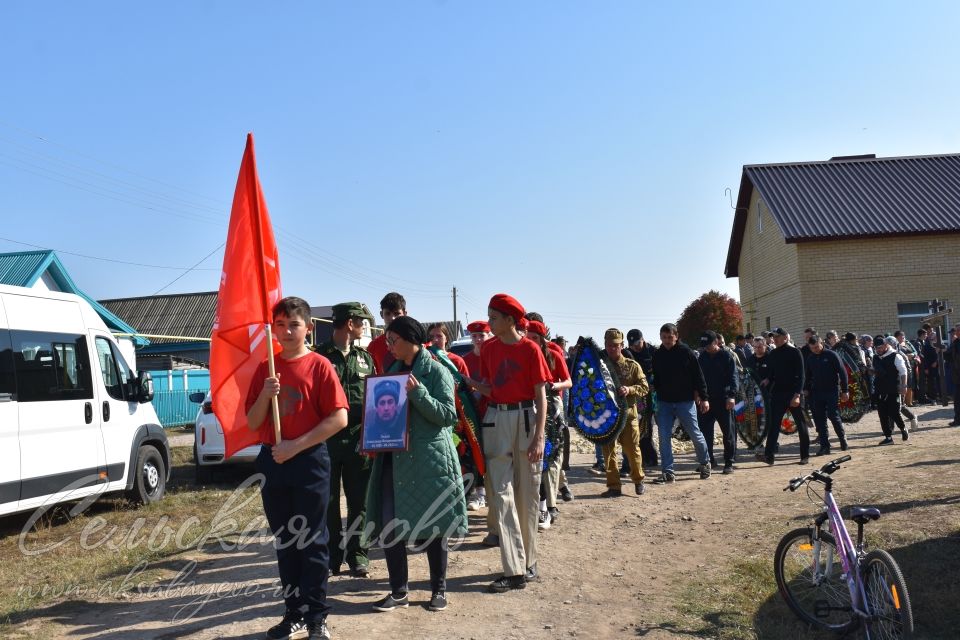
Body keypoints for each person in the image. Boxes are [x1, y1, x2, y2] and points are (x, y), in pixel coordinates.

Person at [246, 296, 349, 640]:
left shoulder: (320, 365)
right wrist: (264, 394)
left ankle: (318, 616)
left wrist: (295, 446)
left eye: (294, 324)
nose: (287, 331)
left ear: (308, 327)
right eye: (280, 325)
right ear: (273, 329)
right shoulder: (267, 368)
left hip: (308, 461)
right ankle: (294, 614)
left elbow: (339, 418)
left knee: (313, 541)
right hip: (273, 460)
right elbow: (252, 420)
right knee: (285, 542)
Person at [364, 316, 468, 613]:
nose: (390, 346)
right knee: (390, 525)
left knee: (433, 525)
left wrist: (418, 393)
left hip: (428, 460)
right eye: (388, 341)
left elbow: (448, 415)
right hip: (393, 459)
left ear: (412, 339)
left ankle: (439, 589)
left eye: (393, 340)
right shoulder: (391, 372)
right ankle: (398, 591)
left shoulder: (437, 370)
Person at [466, 293, 551, 593]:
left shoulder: (531, 349)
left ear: (510, 320)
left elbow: (542, 396)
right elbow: (490, 386)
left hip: (527, 419)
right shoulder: (487, 349)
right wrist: (469, 382)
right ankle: (515, 568)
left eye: (493, 317)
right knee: (500, 493)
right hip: (496, 419)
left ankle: (528, 562)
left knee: (527, 492)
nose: (489, 321)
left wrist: (539, 437)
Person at [315, 302, 377, 579]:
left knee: (359, 501)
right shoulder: (318, 357)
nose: (364, 326)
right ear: (349, 323)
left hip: (358, 438)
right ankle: (331, 556)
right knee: (327, 501)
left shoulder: (366, 359)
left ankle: (358, 555)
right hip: (326, 438)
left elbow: (375, 398)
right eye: (361, 321)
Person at [650, 323, 712, 484]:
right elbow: (656, 378)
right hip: (664, 403)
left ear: (676, 336)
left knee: (695, 434)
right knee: (663, 437)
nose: (667, 340)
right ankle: (668, 472)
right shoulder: (657, 355)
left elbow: (698, 376)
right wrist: (651, 386)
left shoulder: (687, 352)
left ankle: (705, 462)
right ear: (660, 337)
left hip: (685, 402)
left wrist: (704, 398)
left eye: (670, 337)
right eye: (664, 337)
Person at [524, 320, 571, 526]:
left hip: (551, 404)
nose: (531, 341)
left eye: (534, 338)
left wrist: (554, 385)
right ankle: (537, 505)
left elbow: (568, 381)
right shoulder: (522, 354)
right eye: (528, 337)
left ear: (542, 339)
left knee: (550, 456)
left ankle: (549, 506)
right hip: (527, 405)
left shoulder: (554, 354)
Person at [597, 328, 649, 496]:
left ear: (622, 345)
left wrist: (630, 389)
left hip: (628, 415)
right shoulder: (599, 367)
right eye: (609, 345)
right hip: (607, 417)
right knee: (608, 451)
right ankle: (613, 486)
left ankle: (638, 480)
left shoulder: (632, 366)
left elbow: (644, 387)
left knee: (632, 449)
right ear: (605, 345)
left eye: (616, 345)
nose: (612, 348)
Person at [760, 327, 809, 466]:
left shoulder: (795, 352)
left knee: (801, 424)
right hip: (778, 394)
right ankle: (769, 456)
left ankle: (804, 456)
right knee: (774, 425)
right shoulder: (773, 353)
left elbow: (801, 375)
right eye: (773, 336)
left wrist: (797, 395)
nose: (774, 339)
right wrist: (767, 379)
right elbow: (772, 372)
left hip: (793, 393)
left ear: (785, 337)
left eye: (777, 336)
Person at [696, 330, 738, 474]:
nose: (705, 347)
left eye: (708, 345)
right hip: (707, 400)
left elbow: (733, 378)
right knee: (705, 432)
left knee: (728, 432)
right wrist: (700, 396)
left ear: (716, 342)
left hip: (724, 399)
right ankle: (709, 460)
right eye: (703, 345)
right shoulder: (702, 357)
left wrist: (732, 396)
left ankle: (729, 462)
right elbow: (699, 379)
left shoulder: (727, 356)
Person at [803, 334, 849, 455]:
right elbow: (807, 376)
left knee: (833, 415)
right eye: (812, 348)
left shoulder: (831, 355)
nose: (815, 350)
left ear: (821, 344)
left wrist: (845, 390)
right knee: (820, 419)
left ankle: (842, 438)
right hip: (817, 392)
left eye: (817, 347)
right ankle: (824, 446)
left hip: (832, 390)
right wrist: (806, 389)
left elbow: (843, 373)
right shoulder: (810, 358)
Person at [625, 329, 658, 469]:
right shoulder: (628, 354)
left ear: (643, 339)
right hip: (635, 394)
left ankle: (650, 457)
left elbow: (660, 371)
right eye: (632, 345)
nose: (635, 347)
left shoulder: (653, 352)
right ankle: (635, 459)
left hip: (651, 395)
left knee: (646, 427)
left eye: (637, 344)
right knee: (634, 428)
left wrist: (654, 384)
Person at [873, 335, 910, 445]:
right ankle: (888, 437)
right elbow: (877, 372)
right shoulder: (875, 357)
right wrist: (869, 370)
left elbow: (903, 372)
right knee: (882, 414)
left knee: (894, 412)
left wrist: (904, 386)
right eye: (876, 348)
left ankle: (903, 429)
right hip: (880, 388)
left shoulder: (895, 356)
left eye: (880, 347)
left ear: (886, 345)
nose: (878, 350)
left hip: (893, 388)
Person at [368, 292, 407, 374]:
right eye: (387, 313)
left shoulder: (415, 344)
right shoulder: (374, 346)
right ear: (381, 314)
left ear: (405, 313)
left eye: (396, 313)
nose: (392, 318)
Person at [949, 324, 960, 426]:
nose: (955, 333)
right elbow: (950, 357)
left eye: (957, 331)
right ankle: (957, 419)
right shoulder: (955, 343)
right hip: (957, 375)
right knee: (957, 399)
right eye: (955, 331)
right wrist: (941, 351)